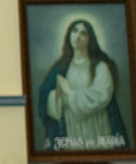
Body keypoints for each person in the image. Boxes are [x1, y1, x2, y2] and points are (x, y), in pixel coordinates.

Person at [37, 17, 127, 152]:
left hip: (97, 128)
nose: (77, 37)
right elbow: (45, 98)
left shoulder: (100, 67)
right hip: (71, 129)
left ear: (90, 39)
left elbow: (100, 96)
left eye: (83, 33)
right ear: (69, 34)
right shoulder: (61, 68)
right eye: (74, 31)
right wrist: (56, 96)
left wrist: (69, 92)